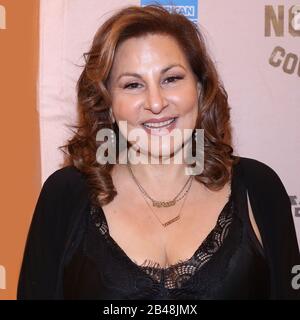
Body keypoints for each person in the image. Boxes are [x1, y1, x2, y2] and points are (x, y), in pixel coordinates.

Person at [17, 4, 300, 300]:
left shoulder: (258, 186)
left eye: (171, 79)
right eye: (133, 84)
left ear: (201, 88)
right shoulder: (65, 194)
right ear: (108, 103)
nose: (155, 102)